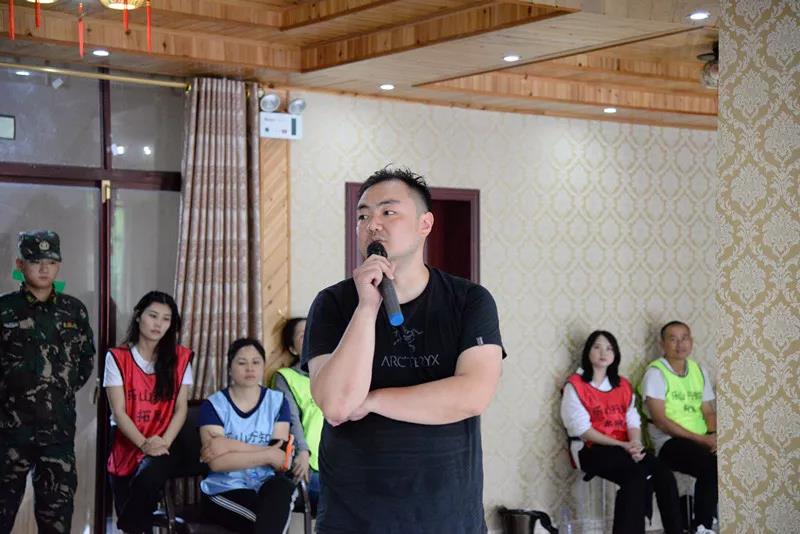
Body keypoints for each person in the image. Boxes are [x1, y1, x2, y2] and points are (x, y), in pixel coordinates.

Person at [302, 167, 505, 533]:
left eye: (388, 212)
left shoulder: (469, 300)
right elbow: (337, 404)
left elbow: (472, 395)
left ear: (425, 223)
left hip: (446, 516)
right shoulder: (332, 303)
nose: (372, 225)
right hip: (353, 517)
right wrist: (367, 307)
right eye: (363, 216)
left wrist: (373, 400)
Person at [0, 230, 95, 533]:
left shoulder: (74, 310)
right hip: (9, 434)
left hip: (57, 434)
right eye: (35, 261)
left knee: (56, 522)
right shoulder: (4, 310)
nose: (44, 268)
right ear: (20, 264)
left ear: (59, 265)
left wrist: (57, 391)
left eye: (51, 262)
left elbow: (85, 362)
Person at [560, 330, 682, 534]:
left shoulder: (623, 385)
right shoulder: (576, 385)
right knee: (635, 476)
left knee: (663, 474)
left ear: (615, 354)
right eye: (597, 347)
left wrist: (635, 443)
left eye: (609, 348)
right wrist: (623, 445)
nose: (603, 353)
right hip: (590, 449)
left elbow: (632, 420)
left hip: (625, 447)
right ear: (588, 352)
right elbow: (582, 430)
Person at [104, 291, 193, 533]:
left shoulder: (181, 358)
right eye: (153, 316)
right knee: (129, 499)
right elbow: (118, 412)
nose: (158, 324)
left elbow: (181, 409)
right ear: (138, 316)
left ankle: (128, 524)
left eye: (166, 319)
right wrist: (144, 444)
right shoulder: (117, 358)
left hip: (166, 440)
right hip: (126, 441)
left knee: (147, 479)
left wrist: (162, 443)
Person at [198, 338, 298, 534]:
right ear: (229, 368)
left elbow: (280, 460)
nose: (250, 368)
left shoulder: (277, 402)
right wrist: (267, 454)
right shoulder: (213, 405)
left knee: (283, 488)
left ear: (263, 366)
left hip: (265, 484)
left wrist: (228, 445)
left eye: (256, 362)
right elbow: (217, 463)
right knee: (267, 523)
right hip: (224, 488)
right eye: (242, 363)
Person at [639, 321, 717, 534]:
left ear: (691, 342)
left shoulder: (698, 370)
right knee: (712, 466)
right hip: (669, 443)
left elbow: (708, 412)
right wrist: (703, 440)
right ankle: (702, 527)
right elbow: (661, 421)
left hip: (701, 439)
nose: (680, 344)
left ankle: (709, 519)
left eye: (684, 338)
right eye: (673, 339)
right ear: (662, 344)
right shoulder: (655, 373)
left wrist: (713, 436)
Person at [268, 317, 323, 513]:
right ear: (292, 349)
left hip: (341, 463)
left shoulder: (336, 374)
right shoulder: (285, 378)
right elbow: (291, 419)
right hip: (309, 465)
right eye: (302, 335)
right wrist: (302, 451)